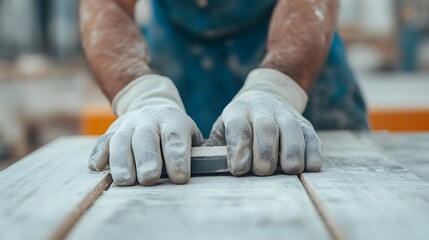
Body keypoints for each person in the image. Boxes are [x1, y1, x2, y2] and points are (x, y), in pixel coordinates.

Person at [80, 0, 368, 186]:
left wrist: (276, 88)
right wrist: (142, 95)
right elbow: (107, 4)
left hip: (302, 67)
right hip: (180, 59)